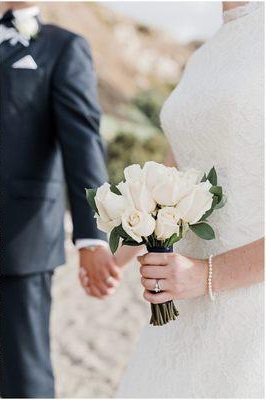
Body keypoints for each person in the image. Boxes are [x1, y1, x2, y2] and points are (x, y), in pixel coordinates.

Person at [116, 2, 264, 397]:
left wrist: (205, 275)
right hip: (182, 301)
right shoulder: (203, 55)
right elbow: (176, 164)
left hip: (251, 305)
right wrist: (123, 240)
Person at [0, 2, 119, 397]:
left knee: (25, 375)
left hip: (25, 233)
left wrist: (91, 237)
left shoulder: (63, 46)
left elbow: (82, 142)